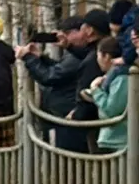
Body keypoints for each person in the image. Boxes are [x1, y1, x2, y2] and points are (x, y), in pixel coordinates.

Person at [21, 14, 104, 153]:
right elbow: (60, 68)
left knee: (70, 159)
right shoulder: (78, 53)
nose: (64, 37)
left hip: (72, 116)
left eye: (68, 33)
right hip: (66, 115)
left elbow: (51, 76)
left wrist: (29, 58)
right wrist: (41, 57)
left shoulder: (86, 56)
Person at [86, 36, 128, 153]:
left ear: (106, 56)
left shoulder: (122, 78)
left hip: (118, 142)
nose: (97, 60)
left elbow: (112, 109)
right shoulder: (112, 77)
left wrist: (95, 90)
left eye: (98, 56)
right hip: (112, 138)